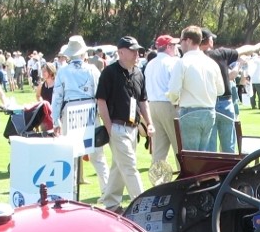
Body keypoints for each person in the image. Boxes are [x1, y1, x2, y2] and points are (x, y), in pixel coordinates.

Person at [96, 36, 153, 212]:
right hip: (117, 127)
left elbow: (143, 101)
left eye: (138, 50)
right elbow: (101, 101)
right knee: (129, 166)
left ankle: (111, 203)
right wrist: (109, 127)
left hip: (133, 128)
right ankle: (143, 206)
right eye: (133, 50)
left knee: (119, 167)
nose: (137, 53)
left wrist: (149, 123)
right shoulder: (109, 73)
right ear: (121, 52)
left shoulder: (138, 73)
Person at [51, 35, 109, 196]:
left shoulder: (63, 71)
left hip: (70, 112)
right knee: (97, 156)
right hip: (90, 111)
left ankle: (70, 192)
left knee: (70, 155)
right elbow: (99, 94)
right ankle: (106, 191)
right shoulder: (92, 70)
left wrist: (55, 120)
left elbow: (57, 98)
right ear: (83, 53)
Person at [167, 26, 225, 152]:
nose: (180, 45)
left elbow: (172, 91)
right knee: (202, 155)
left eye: (181, 41)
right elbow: (221, 90)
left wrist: (175, 101)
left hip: (190, 112)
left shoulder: (182, 62)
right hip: (209, 112)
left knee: (190, 157)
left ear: (187, 41)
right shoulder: (211, 63)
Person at [144, 34, 180, 184]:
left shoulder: (150, 64)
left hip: (153, 105)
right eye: (174, 45)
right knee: (179, 147)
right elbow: (175, 87)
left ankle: (158, 183)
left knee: (158, 150)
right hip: (169, 104)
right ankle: (185, 180)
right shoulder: (172, 63)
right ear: (169, 47)